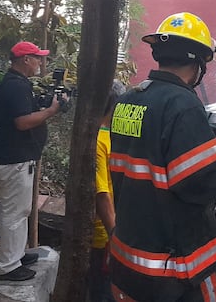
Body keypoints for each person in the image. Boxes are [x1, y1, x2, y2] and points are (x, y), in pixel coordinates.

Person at [108, 12, 216, 302]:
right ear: (198, 64)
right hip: (180, 270)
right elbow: (202, 184)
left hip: (127, 260)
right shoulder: (182, 105)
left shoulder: (127, 100)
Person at [0, 41, 62, 281]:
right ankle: (8, 266)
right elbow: (22, 122)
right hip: (14, 159)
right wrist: (51, 111)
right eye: (37, 58)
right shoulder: (15, 87)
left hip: (17, 158)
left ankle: (17, 254)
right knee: (14, 213)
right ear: (25, 60)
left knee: (21, 210)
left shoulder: (17, 84)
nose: (41, 62)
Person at [89, 80, 127, 302]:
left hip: (116, 230)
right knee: (103, 292)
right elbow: (101, 193)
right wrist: (113, 235)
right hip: (103, 236)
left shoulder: (111, 137)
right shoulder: (97, 142)